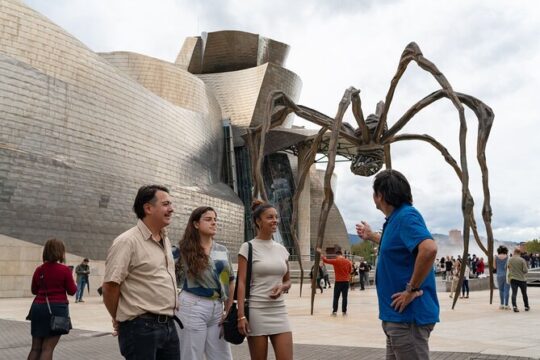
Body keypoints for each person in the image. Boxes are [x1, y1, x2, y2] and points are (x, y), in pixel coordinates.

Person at [356, 169, 439, 359]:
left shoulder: (406, 216)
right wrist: (371, 236)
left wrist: (411, 289)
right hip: (396, 317)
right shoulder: (395, 219)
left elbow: (429, 249)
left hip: (407, 318)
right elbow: (397, 246)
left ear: (380, 195)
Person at [102, 185, 179, 360]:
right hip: (140, 328)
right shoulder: (127, 242)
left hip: (169, 325)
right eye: (166, 204)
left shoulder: (165, 239)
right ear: (148, 208)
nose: (171, 209)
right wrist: (118, 318)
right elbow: (110, 287)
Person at [175, 206, 235, 359]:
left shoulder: (222, 250)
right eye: (208, 219)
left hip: (217, 309)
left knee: (222, 356)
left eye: (215, 220)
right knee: (191, 355)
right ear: (195, 224)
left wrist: (228, 311)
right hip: (192, 306)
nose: (214, 223)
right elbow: (162, 275)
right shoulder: (182, 249)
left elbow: (230, 281)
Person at [237, 200, 293, 360]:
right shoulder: (248, 247)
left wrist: (282, 287)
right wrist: (241, 315)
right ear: (258, 221)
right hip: (256, 310)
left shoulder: (282, 249)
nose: (275, 220)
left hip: (279, 310)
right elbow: (241, 283)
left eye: (276, 217)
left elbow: (288, 281)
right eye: (270, 217)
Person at [28, 238, 77, 360]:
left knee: (35, 347)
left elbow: (34, 290)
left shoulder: (39, 269)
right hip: (57, 309)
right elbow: (72, 291)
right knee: (47, 348)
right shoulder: (65, 270)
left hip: (38, 308)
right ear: (60, 252)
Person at [316, 245, 352, 316]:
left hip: (338, 282)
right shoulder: (348, 262)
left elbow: (325, 260)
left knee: (336, 297)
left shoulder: (336, 261)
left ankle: (334, 311)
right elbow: (350, 271)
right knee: (345, 297)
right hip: (346, 282)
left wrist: (320, 253)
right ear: (342, 254)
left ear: (337, 255)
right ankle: (344, 312)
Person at [507, 248, 530, 312]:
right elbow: (525, 270)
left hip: (513, 279)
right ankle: (526, 306)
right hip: (522, 279)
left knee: (514, 293)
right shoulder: (522, 260)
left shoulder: (510, 259)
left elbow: (506, 267)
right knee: (524, 293)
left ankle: (514, 306)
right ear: (519, 253)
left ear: (514, 252)